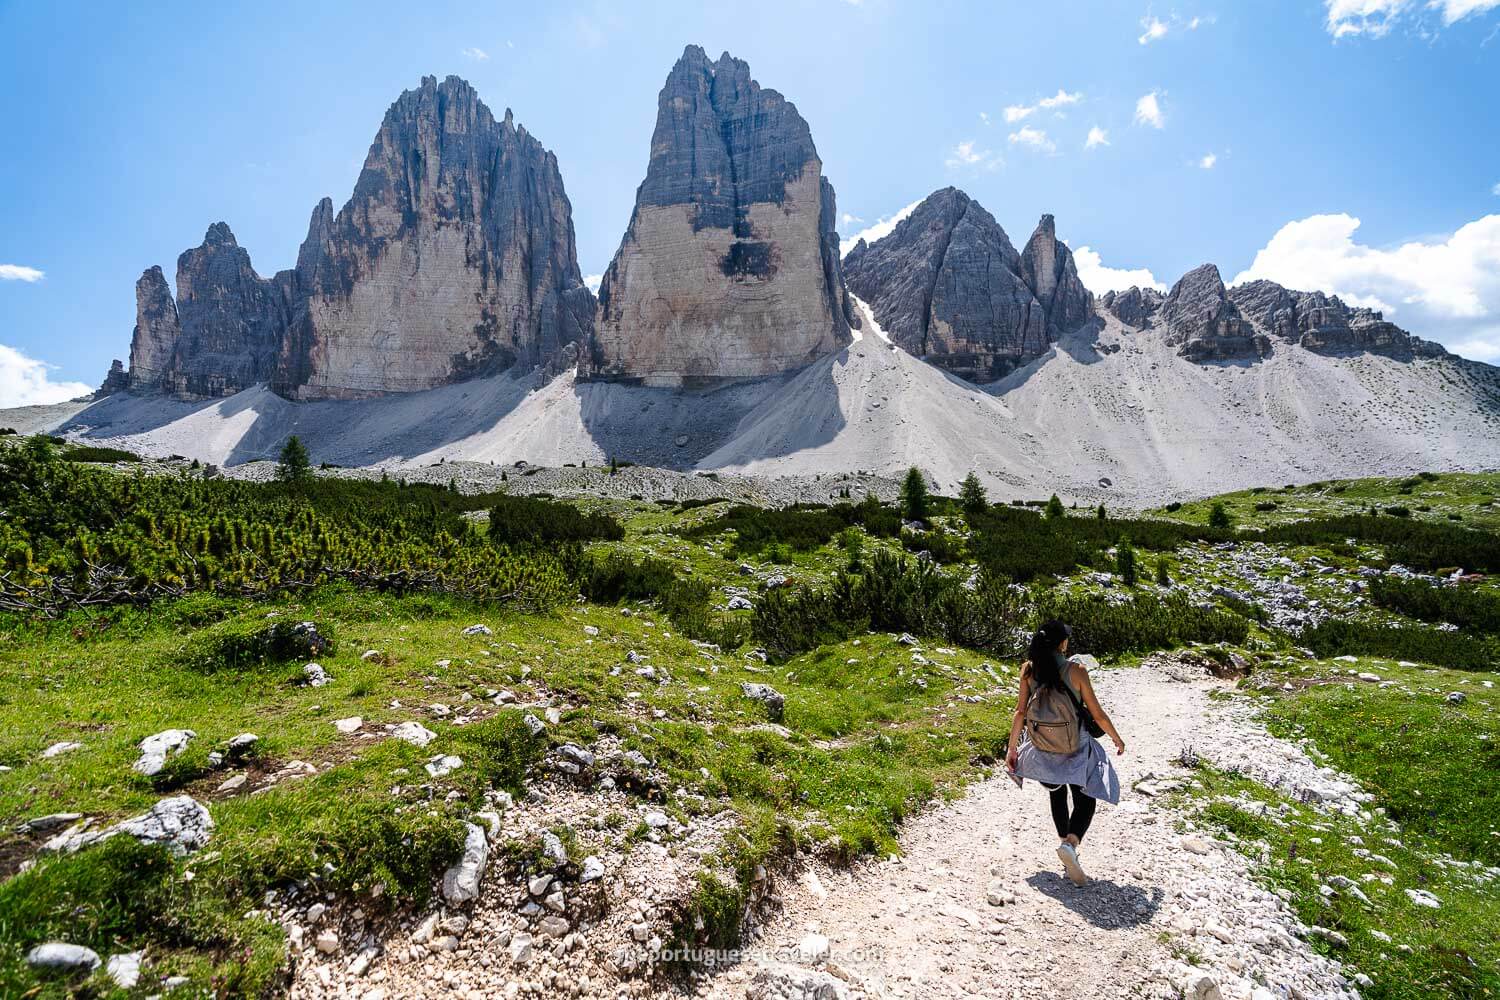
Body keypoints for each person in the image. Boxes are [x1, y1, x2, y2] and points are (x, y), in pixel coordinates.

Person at [1005, 620, 1125, 886]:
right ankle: (1071, 844)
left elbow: (1020, 713)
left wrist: (1012, 748)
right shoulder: (1077, 670)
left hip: (1044, 746)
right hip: (1076, 745)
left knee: (1056, 793)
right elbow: (1097, 713)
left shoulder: (1028, 671)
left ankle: (1064, 844)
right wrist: (1116, 738)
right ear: (1062, 644)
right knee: (1085, 799)